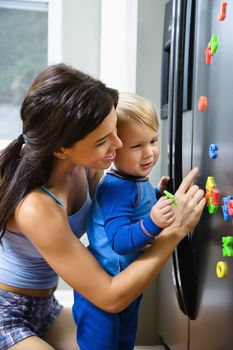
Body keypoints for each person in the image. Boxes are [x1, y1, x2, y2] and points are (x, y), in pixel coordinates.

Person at [0, 63, 206, 350]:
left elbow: (124, 213)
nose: (118, 143)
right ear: (61, 149)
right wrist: (175, 231)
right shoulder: (37, 207)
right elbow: (110, 296)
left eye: (114, 132)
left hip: (47, 308)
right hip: (6, 314)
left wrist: (160, 200)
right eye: (103, 140)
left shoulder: (87, 169)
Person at [73, 92, 177, 349]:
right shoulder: (117, 188)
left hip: (124, 281)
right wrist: (154, 221)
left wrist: (155, 196)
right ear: (113, 150)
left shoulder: (135, 178)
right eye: (136, 146)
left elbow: (135, 212)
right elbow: (119, 240)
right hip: (101, 286)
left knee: (124, 342)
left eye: (153, 140)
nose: (149, 153)